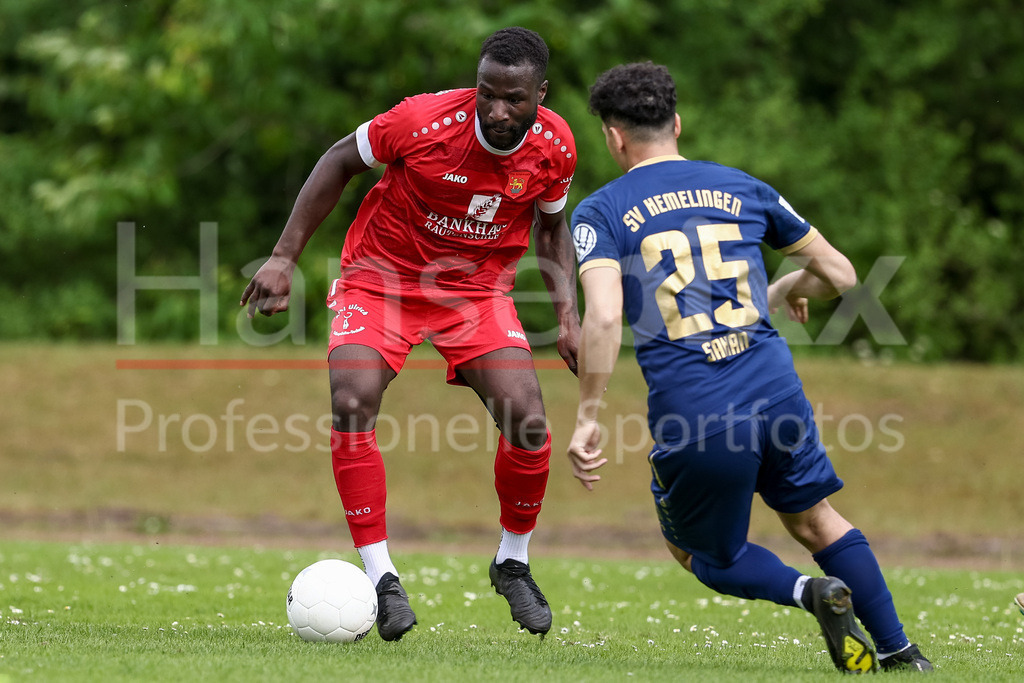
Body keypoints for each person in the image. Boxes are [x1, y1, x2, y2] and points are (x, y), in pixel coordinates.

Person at [566, 62, 932, 673]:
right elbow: (841, 275)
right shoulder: (742, 187)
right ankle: (902, 653)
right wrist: (786, 283)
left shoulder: (601, 211)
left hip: (698, 412)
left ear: (613, 136)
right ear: (677, 124)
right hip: (776, 390)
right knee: (815, 520)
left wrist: (587, 415)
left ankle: (811, 593)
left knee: (701, 553)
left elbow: (603, 317)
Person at [240, 27, 580, 641]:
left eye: (515, 98)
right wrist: (284, 256)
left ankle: (512, 561)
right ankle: (382, 578)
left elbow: (553, 229)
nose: (497, 111)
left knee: (528, 422)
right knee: (352, 401)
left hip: (475, 293)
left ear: (541, 94)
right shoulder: (422, 122)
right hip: (380, 280)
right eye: (487, 93)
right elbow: (339, 159)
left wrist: (569, 321)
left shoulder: (555, 146)